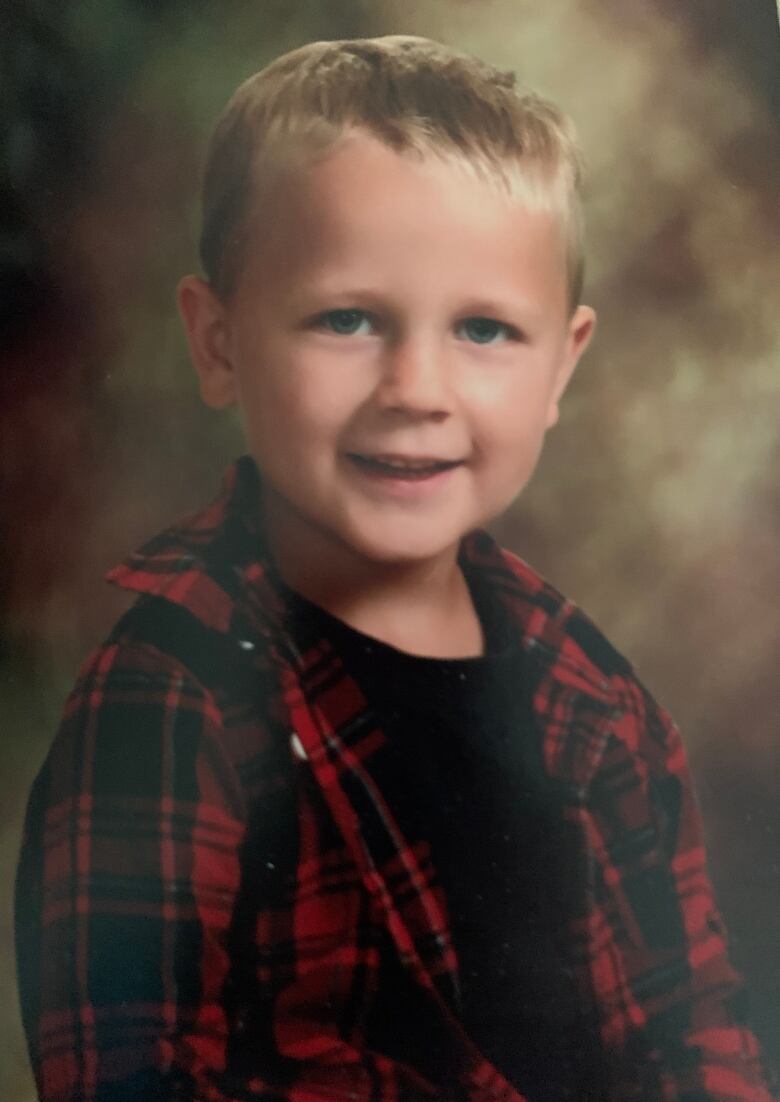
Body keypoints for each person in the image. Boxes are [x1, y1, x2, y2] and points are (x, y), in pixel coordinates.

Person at [14, 35, 776, 1102]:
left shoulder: (595, 699)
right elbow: (126, 1075)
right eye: (348, 318)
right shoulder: (168, 699)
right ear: (219, 342)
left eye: (484, 329)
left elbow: (697, 1032)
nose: (416, 387)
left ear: (565, 362)